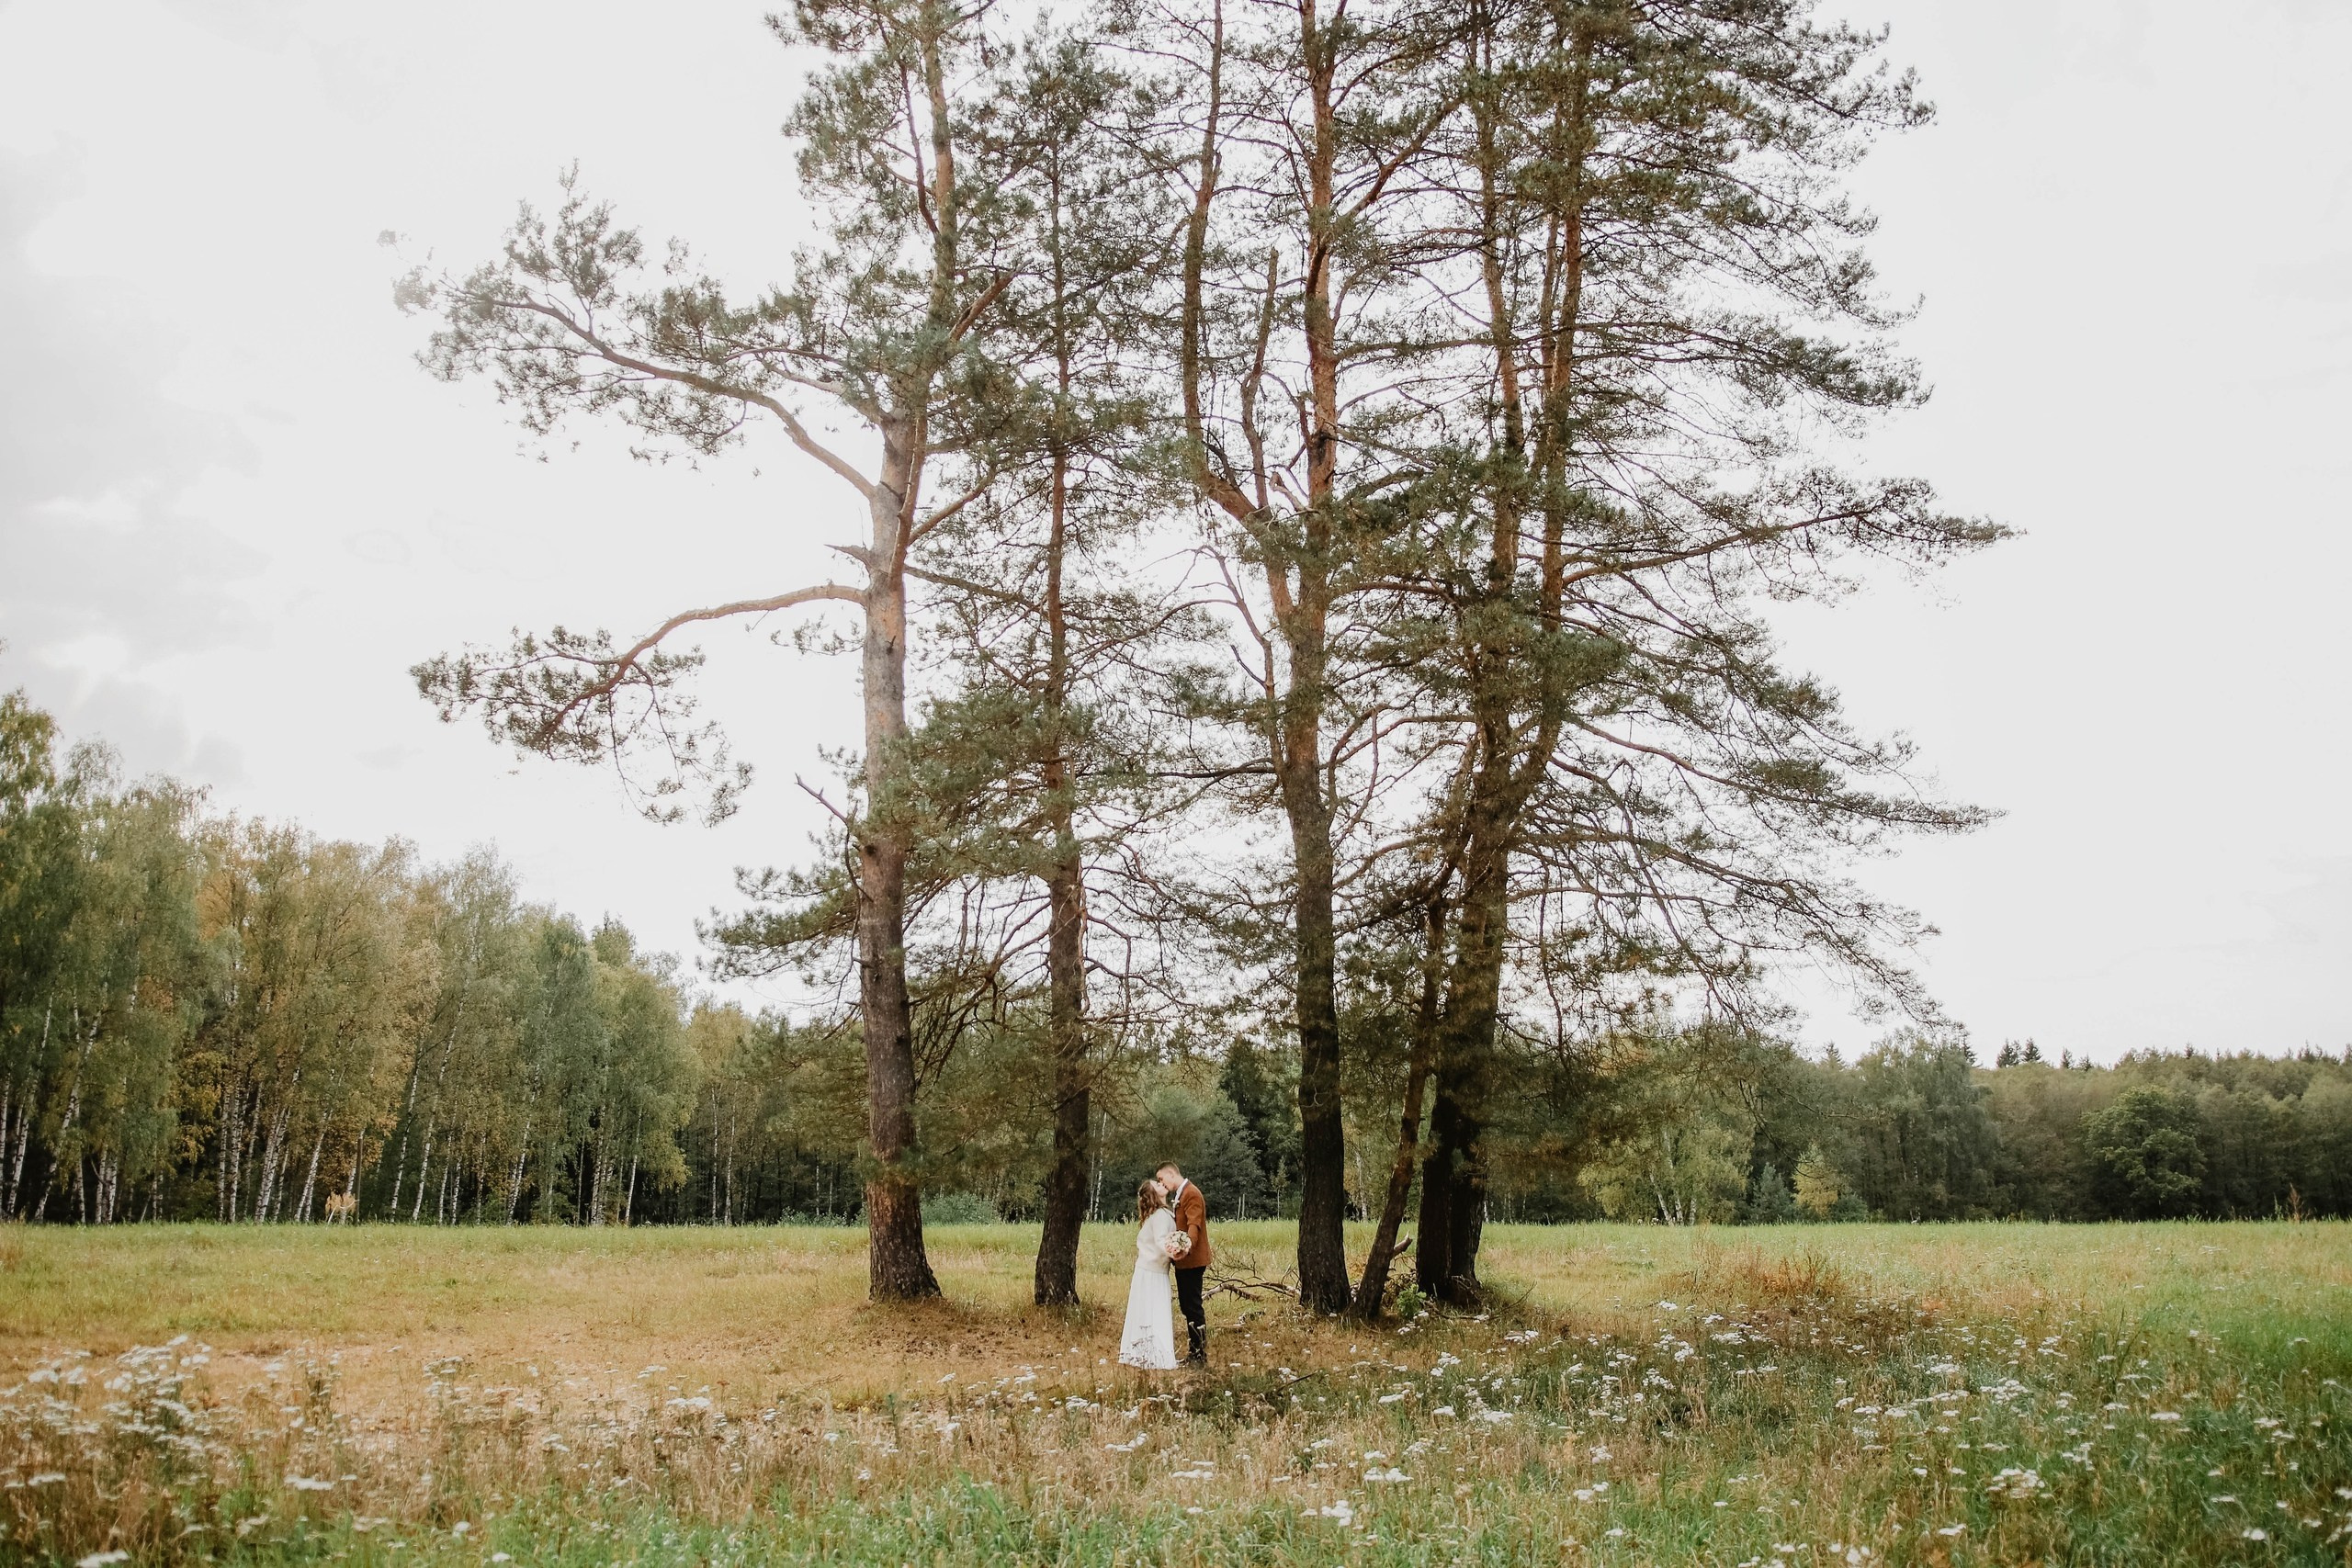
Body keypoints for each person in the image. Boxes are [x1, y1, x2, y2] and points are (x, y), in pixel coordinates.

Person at [1117, 1179, 1179, 1371]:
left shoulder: (1160, 1214)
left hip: (1150, 1270)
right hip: (1153, 1272)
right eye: (1158, 1184)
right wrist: (1176, 1251)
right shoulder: (1160, 1216)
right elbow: (1161, 1241)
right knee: (1154, 1309)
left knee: (1147, 1309)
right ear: (1154, 1194)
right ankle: (1155, 1355)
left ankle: (1145, 1352)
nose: (1163, 1184)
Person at [1156, 1160, 1212, 1366]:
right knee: (1187, 1306)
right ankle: (1194, 1351)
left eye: (1161, 1178)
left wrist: (1185, 1247)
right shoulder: (1182, 1194)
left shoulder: (1191, 1193)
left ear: (1172, 1174)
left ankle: (1199, 1354)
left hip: (1192, 1261)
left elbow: (1194, 1225)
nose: (1161, 1183)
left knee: (1193, 1306)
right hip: (1184, 1262)